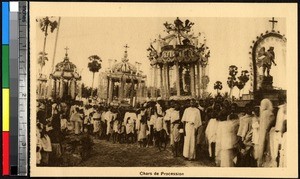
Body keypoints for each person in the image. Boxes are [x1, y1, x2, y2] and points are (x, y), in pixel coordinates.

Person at [257, 99, 275, 167]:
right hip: (268, 133)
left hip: (263, 133)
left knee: (262, 147)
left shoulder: (263, 114)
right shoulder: (270, 113)